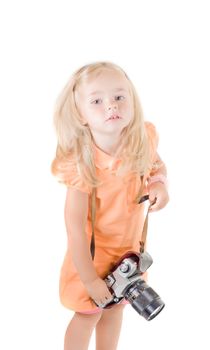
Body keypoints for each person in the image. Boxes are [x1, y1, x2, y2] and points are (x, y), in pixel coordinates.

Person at [51, 61, 169, 350]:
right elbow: (75, 229)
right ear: (80, 115)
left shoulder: (142, 137)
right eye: (97, 101)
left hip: (128, 253)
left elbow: (156, 165)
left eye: (119, 97)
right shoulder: (81, 162)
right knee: (87, 314)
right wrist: (90, 280)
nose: (111, 106)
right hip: (92, 258)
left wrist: (159, 184)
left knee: (116, 310)